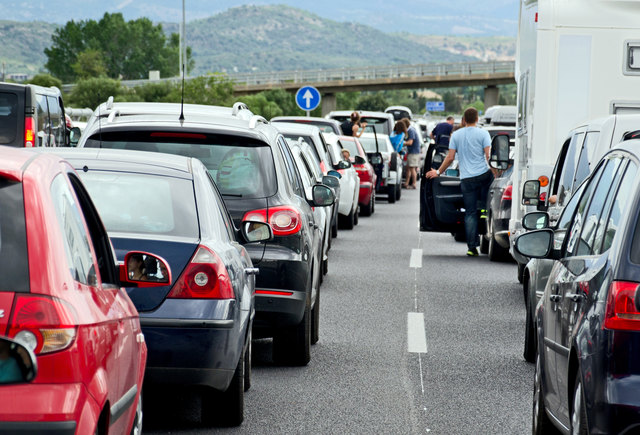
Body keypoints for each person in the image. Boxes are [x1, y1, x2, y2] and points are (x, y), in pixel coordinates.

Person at [425, 107, 493, 257]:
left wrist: (437, 172)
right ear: (477, 119)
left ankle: (472, 247)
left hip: (466, 178)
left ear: (463, 120)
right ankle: (484, 212)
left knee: (469, 213)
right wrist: (496, 172)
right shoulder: (484, 133)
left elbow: (450, 158)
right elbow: (488, 156)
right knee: (486, 199)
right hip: (483, 175)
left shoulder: (456, 135)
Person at [401, 118, 421, 189]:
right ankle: (406, 183)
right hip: (412, 152)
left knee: (412, 168)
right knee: (408, 168)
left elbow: (410, 142)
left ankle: (414, 184)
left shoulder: (410, 131)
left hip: (413, 152)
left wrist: (401, 143)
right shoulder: (410, 130)